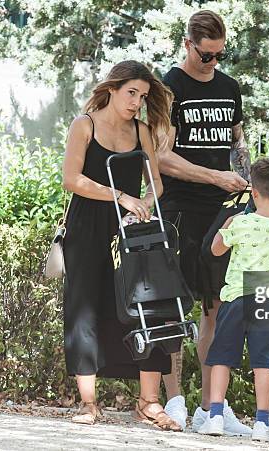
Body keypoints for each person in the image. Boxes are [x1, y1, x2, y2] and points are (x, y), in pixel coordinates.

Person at [61, 60, 181, 431]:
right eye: (131, 93)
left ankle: (149, 403)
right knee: (84, 306)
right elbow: (71, 179)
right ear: (112, 89)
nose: (136, 102)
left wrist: (143, 201)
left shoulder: (142, 131)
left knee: (150, 305)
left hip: (132, 229)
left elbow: (157, 182)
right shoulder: (85, 125)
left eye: (143, 96)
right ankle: (88, 403)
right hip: (87, 226)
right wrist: (123, 196)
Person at [158, 10, 252, 435]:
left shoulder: (229, 87)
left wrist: (248, 186)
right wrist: (214, 176)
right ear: (187, 44)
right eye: (206, 54)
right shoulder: (167, 87)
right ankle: (174, 402)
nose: (212, 62)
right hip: (179, 208)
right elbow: (160, 156)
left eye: (219, 54)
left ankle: (212, 407)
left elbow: (237, 144)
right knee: (174, 309)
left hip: (223, 211)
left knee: (216, 308)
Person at [197, 158, 269, 442]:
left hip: (236, 298)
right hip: (268, 300)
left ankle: (215, 416)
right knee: (263, 362)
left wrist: (226, 226)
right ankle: (261, 423)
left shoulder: (240, 223)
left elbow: (215, 251)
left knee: (221, 357)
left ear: (252, 192)